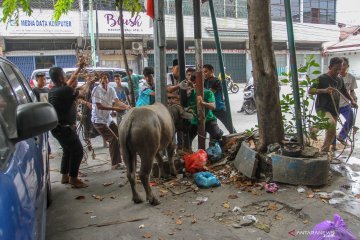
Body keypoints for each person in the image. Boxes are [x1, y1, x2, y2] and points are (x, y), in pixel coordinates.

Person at [48, 59, 88, 188]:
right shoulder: (65, 90)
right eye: (64, 75)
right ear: (60, 77)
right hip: (65, 129)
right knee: (78, 151)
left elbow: (70, 81)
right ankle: (73, 178)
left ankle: (65, 176)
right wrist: (89, 83)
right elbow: (82, 93)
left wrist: (79, 69)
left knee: (67, 151)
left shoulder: (54, 90)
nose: (66, 77)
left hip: (57, 129)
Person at [309, 57, 357, 153]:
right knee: (331, 123)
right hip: (322, 107)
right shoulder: (321, 78)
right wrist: (324, 90)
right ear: (330, 67)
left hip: (334, 108)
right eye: (336, 69)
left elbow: (344, 91)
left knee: (331, 131)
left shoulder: (339, 80)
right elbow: (310, 91)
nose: (338, 71)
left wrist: (352, 101)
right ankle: (313, 130)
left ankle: (324, 151)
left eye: (340, 69)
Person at [91, 73, 130, 170]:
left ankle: (125, 156)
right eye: (102, 79)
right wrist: (115, 108)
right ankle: (115, 164)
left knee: (120, 134)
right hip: (98, 120)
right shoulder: (96, 90)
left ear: (108, 80)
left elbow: (117, 101)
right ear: (99, 80)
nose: (104, 80)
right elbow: (99, 106)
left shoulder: (111, 89)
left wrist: (126, 106)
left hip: (107, 118)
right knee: (113, 139)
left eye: (106, 78)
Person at [187, 72, 223, 147]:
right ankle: (189, 153)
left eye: (200, 81)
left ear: (203, 81)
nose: (196, 84)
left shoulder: (208, 92)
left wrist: (202, 103)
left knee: (217, 136)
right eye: (194, 82)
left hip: (208, 120)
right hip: (195, 121)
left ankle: (213, 153)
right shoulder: (190, 94)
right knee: (187, 139)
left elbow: (213, 106)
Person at [203, 64, 236, 133]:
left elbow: (209, 93)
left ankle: (236, 137)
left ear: (211, 71)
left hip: (219, 107)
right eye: (203, 72)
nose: (204, 74)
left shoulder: (217, 81)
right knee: (212, 129)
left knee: (229, 125)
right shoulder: (205, 81)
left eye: (206, 72)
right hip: (210, 108)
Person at [332, 57, 357, 148]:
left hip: (345, 103)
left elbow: (351, 90)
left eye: (344, 65)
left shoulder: (351, 78)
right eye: (340, 65)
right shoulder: (334, 77)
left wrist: (353, 99)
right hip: (334, 104)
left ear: (347, 66)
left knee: (351, 119)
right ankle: (333, 144)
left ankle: (341, 136)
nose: (342, 67)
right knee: (332, 124)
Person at [32, 72, 52, 156]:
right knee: (41, 134)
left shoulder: (47, 90)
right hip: (39, 115)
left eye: (44, 79)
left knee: (46, 134)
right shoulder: (34, 91)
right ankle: (45, 151)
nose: (43, 81)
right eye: (41, 79)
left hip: (46, 114)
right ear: (37, 80)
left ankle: (48, 151)